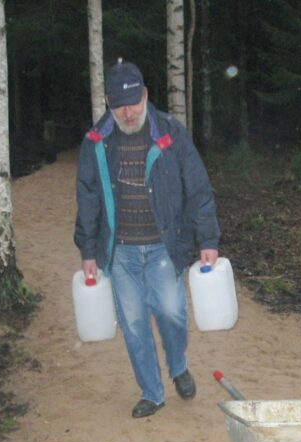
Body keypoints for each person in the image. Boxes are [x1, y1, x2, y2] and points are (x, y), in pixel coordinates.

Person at [74, 60, 221, 418]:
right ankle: (152, 392)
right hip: (119, 249)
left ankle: (178, 365)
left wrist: (208, 238)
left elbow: (198, 187)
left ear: (146, 95)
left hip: (162, 244)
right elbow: (88, 196)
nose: (128, 112)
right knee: (134, 323)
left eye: (134, 102)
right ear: (109, 102)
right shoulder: (96, 142)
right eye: (120, 105)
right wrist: (88, 249)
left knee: (171, 312)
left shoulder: (170, 132)